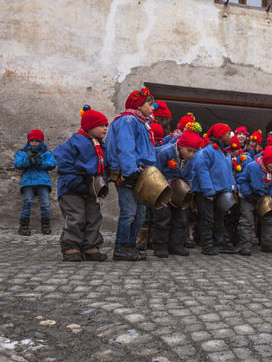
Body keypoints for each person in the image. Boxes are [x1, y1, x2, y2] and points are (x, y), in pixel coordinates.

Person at [105, 86, 157, 261]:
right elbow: (125, 148)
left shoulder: (140, 122)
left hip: (140, 172)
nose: (152, 108)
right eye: (149, 104)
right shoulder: (128, 120)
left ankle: (131, 245)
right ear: (139, 105)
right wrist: (130, 171)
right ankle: (121, 247)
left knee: (140, 212)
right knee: (129, 211)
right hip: (127, 172)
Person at [53, 106, 109, 261]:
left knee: (93, 216)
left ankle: (90, 246)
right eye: (101, 125)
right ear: (90, 127)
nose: (105, 128)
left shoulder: (99, 145)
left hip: (89, 189)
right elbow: (63, 163)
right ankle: (71, 247)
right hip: (71, 189)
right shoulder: (73, 143)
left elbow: (103, 164)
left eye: (106, 125)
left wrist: (102, 181)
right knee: (76, 217)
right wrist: (77, 182)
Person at [151, 130, 201, 258]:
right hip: (161, 188)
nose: (191, 154)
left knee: (180, 219)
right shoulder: (165, 152)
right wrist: (165, 194)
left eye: (194, 151)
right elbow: (154, 174)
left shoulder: (190, 158)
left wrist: (183, 193)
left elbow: (188, 176)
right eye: (189, 151)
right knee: (162, 218)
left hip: (178, 190)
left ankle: (175, 245)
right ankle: (160, 246)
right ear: (180, 146)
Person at [191, 123, 236, 255]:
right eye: (228, 134)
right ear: (221, 136)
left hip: (220, 191)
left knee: (219, 218)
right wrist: (208, 191)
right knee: (207, 218)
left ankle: (221, 243)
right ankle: (207, 245)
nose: (230, 136)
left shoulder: (224, 152)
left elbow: (227, 172)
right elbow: (202, 171)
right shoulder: (206, 151)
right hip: (206, 192)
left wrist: (229, 188)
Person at [237, 145, 272, 255]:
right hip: (247, 196)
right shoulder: (253, 166)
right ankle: (245, 245)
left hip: (263, 196)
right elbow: (242, 181)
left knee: (269, 217)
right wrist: (248, 194)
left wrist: (268, 194)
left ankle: (268, 243)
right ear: (266, 160)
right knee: (247, 220)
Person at [14, 129, 57, 236]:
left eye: (36, 141)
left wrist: (41, 163)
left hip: (43, 181)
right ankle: (23, 226)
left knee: (45, 204)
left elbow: (52, 164)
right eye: (32, 140)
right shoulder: (22, 152)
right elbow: (17, 164)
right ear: (28, 141)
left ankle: (46, 225)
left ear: (41, 141)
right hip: (28, 181)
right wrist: (28, 161)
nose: (34, 143)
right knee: (27, 202)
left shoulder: (46, 153)